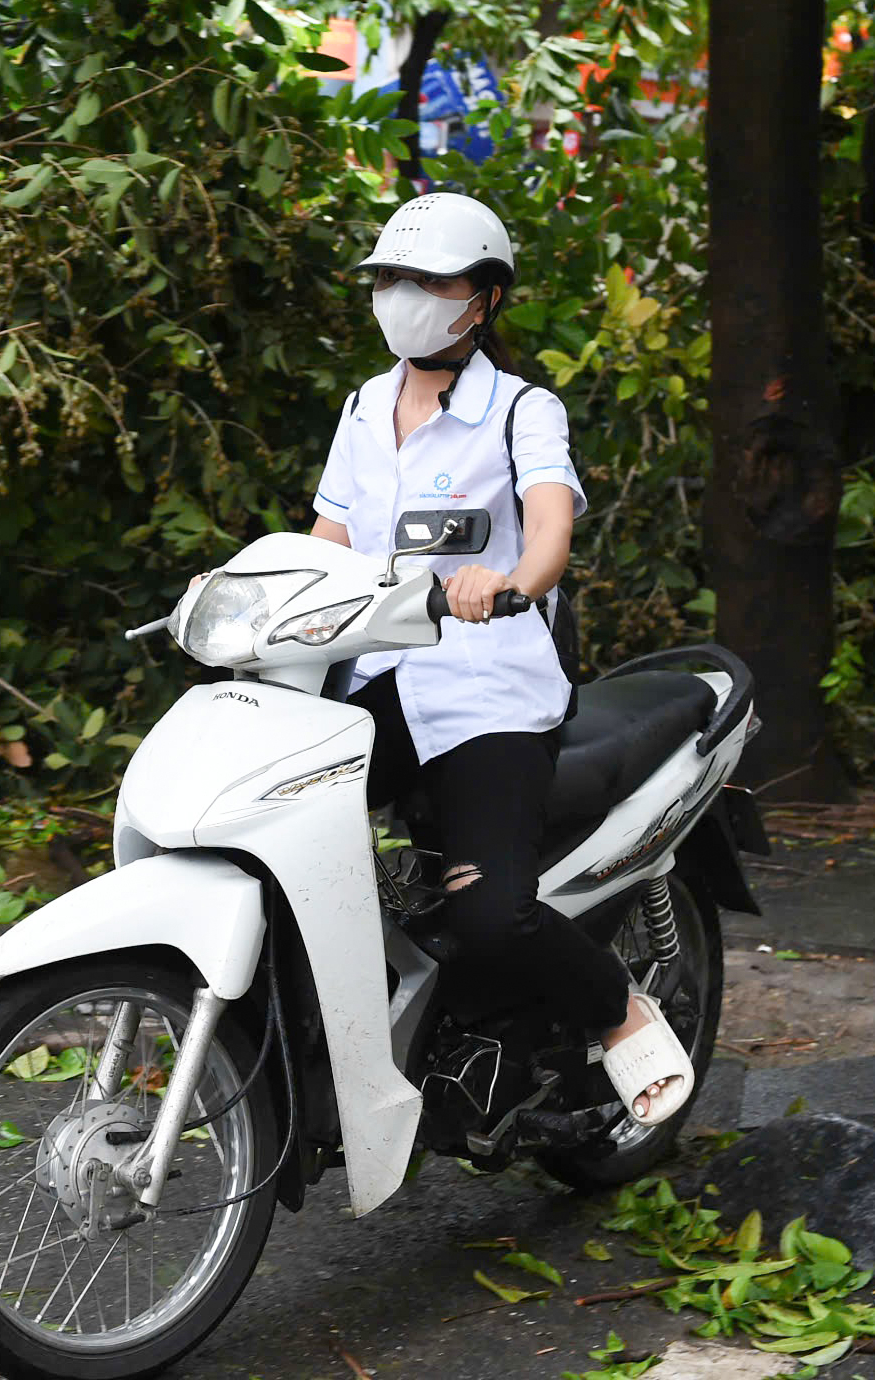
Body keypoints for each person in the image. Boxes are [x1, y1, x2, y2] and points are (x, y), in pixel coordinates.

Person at [308, 191, 692, 1126]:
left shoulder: (521, 410)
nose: (401, 297)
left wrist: (509, 579)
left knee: (493, 915)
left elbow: (552, 530)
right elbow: (324, 539)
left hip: (487, 687)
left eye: (426, 281)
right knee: (285, 830)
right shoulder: (364, 408)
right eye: (388, 280)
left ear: (480, 301)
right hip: (374, 680)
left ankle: (616, 1007)